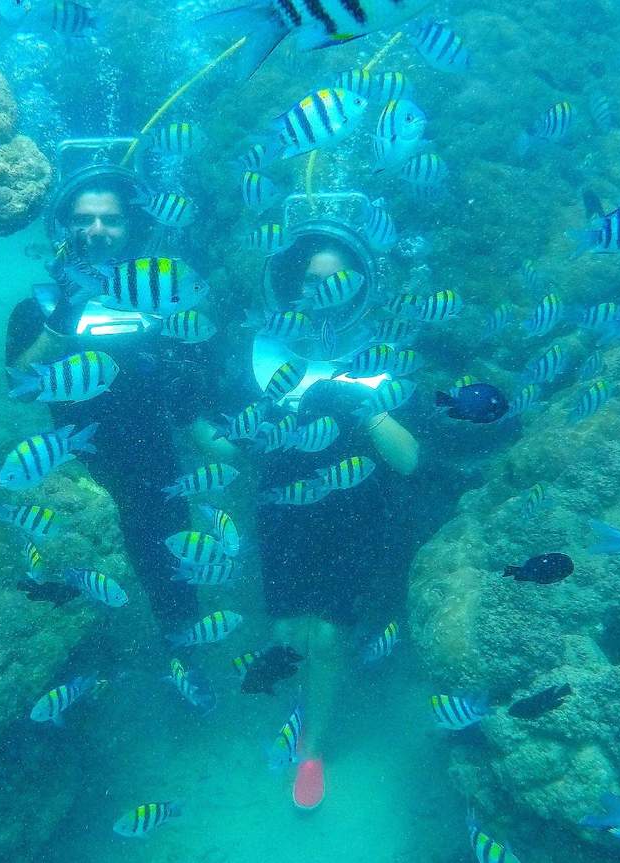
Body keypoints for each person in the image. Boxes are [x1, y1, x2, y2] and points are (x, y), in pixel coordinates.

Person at [5, 160, 226, 634]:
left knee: (170, 571)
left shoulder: (165, 297)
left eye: (111, 218)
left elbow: (206, 365)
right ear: (64, 227)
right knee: (84, 577)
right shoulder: (37, 307)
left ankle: (180, 650)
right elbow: (18, 384)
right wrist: (67, 308)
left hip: (155, 461)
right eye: (83, 219)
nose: (97, 230)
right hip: (73, 467)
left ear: (134, 225)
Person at [247, 218, 424, 811]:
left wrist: (362, 406)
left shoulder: (383, 351)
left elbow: (409, 460)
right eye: (310, 282)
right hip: (282, 515)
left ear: (361, 286)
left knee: (325, 634)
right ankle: (305, 705)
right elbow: (227, 444)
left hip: (353, 516)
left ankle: (312, 747)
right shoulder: (261, 347)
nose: (323, 294)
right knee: (287, 632)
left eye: (338, 282)